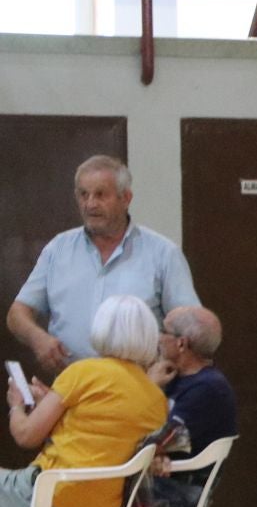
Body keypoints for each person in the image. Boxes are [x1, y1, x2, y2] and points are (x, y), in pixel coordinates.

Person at [9, 157, 199, 375]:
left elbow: (191, 328)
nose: (90, 204)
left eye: (100, 194)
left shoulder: (163, 254)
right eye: (83, 194)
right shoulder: (58, 250)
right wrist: (38, 339)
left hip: (139, 391)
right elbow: (17, 313)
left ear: (126, 198)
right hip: (70, 392)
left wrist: (164, 354)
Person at [0, 295, 168, 507]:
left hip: (49, 499)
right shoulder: (157, 400)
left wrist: (16, 405)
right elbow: (99, 430)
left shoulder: (83, 372)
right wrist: (49, 403)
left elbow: (26, 435)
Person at [147, 306, 238, 507]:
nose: (158, 338)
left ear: (181, 343)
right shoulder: (172, 377)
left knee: (97, 495)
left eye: (164, 331)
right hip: (158, 479)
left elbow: (155, 441)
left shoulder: (208, 389)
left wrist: (149, 387)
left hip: (179, 493)